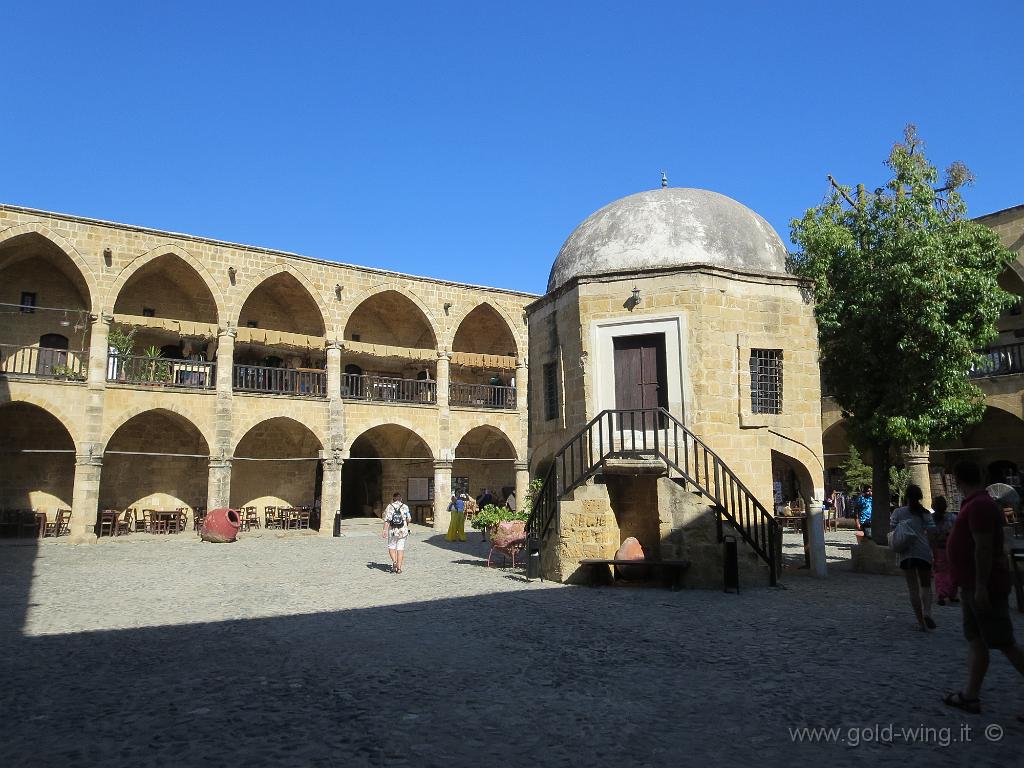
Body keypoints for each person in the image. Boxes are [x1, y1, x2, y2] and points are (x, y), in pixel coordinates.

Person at [943, 461, 1024, 718]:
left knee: (1005, 642)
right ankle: (970, 696)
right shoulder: (976, 503)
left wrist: (980, 586)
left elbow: (984, 547)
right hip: (971, 585)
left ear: (956, 479)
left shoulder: (979, 505)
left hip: (984, 586)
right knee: (976, 640)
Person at [890, 484, 936, 631]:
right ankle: (927, 612)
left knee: (913, 589)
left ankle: (921, 622)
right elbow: (932, 532)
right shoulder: (925, 513)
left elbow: (893, 530)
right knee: (926, 586)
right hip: (923, 551)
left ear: (906, 496)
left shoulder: (898, 512)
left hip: (906, 553)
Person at [928, 496, 957, 606]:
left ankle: (941, 594)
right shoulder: (952, 517)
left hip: (938, 548)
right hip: (951, 547)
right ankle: (952, 594)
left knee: (940, 572)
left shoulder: (930, 519)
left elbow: (930, 537)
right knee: (952, 570)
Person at [381, 492, 411, 574]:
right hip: (403, 530)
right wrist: (406, 524)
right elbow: (409, 519)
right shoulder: (405, 507)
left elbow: (387, 520)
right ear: (401, 499)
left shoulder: (390, 507)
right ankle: (399, 568)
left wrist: (384, 530)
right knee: (400, 548)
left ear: (393, 498)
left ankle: (394, 562)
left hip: (393, 530)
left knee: (391, 546)